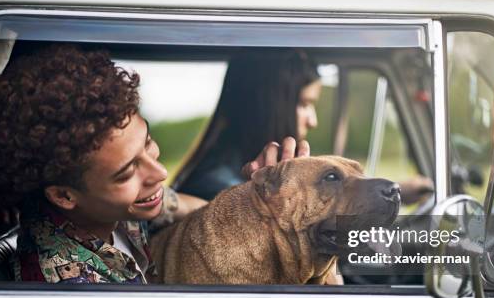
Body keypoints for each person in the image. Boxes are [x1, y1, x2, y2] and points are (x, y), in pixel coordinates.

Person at [0, 43, 300, 284]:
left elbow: (201, 212)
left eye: (148, 143)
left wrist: (257, 197)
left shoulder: (111, 208)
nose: (158, 173)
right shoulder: (72, 287)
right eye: (128, 172)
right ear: (63, 195)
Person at [178, 48, 433, 204]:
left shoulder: (232, 171)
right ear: (266, 107)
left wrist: (391, 192)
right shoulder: (219, 187)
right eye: (303, 104)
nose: (313, 120)